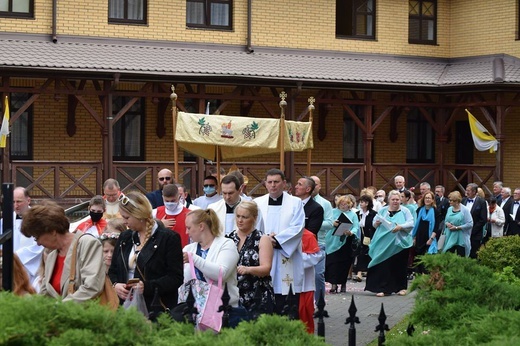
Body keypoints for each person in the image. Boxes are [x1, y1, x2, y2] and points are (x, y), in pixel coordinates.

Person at [108, 191, 183, 315]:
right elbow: (113, 270)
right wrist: (116, 285)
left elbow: (176, 278)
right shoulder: (125, 237)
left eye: (127, 218)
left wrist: (147, 287)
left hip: (155, 308)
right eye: (122, 217)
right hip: (125, 307)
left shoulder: (168, 238)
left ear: (140, 215)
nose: (124, 222)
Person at [21, 200, 105, 302]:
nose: (38, 243)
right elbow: (45, 295)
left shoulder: (87, 244)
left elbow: (92, 287)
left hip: (84, 316)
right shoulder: (52, 256)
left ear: (52, 231)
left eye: (37, 237)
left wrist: (59, 308)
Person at [183, 209, 247, 327]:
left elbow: (221, 274)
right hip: (196, 311)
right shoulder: (188, 249)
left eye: (189, 228)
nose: (187, 232)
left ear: (201, 226)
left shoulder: (226, 244)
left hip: (225, 311)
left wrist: (194, 259)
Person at [254, 168, 304, 316]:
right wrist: (265, 240)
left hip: (285, 255)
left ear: (284, 183)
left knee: (286, 302)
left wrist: (275, 240)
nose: (273, 185)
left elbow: (298, 227)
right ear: (265, 184)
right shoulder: (257, 203)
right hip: (263, 255)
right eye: (269, 182)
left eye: (276, 182)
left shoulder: (295, 203)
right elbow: (253, 227)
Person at [227, 201, 274, 315]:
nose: (240, 220)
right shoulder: (229, 238)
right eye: (238, 216)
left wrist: (248, 269)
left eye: (244, 217)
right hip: (233, 294)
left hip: (257, 293)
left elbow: (266, 268)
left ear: (254, 218)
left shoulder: (262, 239)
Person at [365, 190, 414, 297]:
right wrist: (376, 223)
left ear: (400, 200)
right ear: (389, 200)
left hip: (400, 244)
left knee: (399, 266)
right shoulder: (382, 210)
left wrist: (400, 227)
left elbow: (411, 223)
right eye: (393, 200)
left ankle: (401, 288)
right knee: (384, 266)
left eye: (397, 199)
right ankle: (383, 288)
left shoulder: (405, 211)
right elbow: (374, 224)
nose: (395, 202)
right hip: (384, 244)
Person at [0, 186, 43, 289]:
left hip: (31, 268)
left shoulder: (38, 219)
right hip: (11, 267)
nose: (16, 205)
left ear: (28, 200)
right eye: (13, 202)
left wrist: (17, 257)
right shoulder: (5, 220)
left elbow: (40, 244)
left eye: (19, 201)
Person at [325, 195, 360, 293]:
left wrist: (351, 232)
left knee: (344, 264)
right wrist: (333, 223)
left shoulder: (353, 214)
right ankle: (334, 284)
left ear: (350, 205)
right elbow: (328, 222)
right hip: (332, 240)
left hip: (346, 242)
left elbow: (356, 227)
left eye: (346, 204)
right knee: (332, 263)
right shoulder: (333, 212)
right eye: (341, 204)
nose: (343, 206)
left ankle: (343, 283)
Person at [310, 175, 333, 309]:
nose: (313, 186)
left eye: (316, 184)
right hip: (302, 244)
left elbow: (330, 223)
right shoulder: (298, 201)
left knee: (318, 275)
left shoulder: (325, 203)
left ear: (319, 187)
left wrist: (313, 223)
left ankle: (319, 303)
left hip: (319, 242)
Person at [411, 191, 439, 274]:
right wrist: (414, 237)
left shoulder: (435, 211)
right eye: (426, 198)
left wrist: (431, 239)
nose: (427, 199)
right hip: (419, 237)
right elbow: (416, 223)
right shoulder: (419, 210)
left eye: (429, 198)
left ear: (432, 200)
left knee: (426, 261)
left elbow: (436, 227)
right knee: (418, 260)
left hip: (429, 238)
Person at [354, 194, 377, 282]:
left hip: (370, 236)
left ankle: (369, 272)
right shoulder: (357, 214)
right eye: (360, 202)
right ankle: (359, 272)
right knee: (360, 254)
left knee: (370, 254)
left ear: (367, 203)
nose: (361, 204)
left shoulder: (373, 214)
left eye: (362, 202)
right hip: (360, 236)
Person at [442, 191, 473, 257]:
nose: (449, 202)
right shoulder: (449, 209)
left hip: (461, 238)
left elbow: (470, 224)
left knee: (461, 257)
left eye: (451, 200)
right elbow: (446, 220)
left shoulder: (465, 210)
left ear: (456, 201)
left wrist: (457, 227)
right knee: (448, 256)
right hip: (450, 236)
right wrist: (447, 224)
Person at [462, 183, 487, 258]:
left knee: (473, 254)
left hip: (475, 233)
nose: (466, 192)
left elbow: (483, 219)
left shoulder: (481, 202)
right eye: (466, 190)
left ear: (474, 192)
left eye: (468, 190)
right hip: (463, 232)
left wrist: (472, 230)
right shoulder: (463, 200)